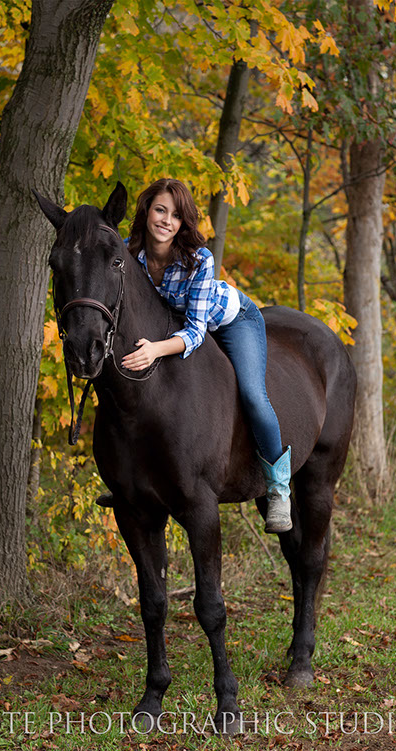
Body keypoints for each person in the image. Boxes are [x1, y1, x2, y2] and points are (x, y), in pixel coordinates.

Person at [107, 178, 292, 534]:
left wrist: (155, 350)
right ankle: (131, 479)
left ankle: (278, 490)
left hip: (229, 322)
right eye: (160, 210)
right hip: (173, 327)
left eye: (176, 215)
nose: (166, 221)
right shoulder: (130, 255)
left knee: (253, 395)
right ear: (146, 211)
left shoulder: (198, 259)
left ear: (183, 223)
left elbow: (195, 331)